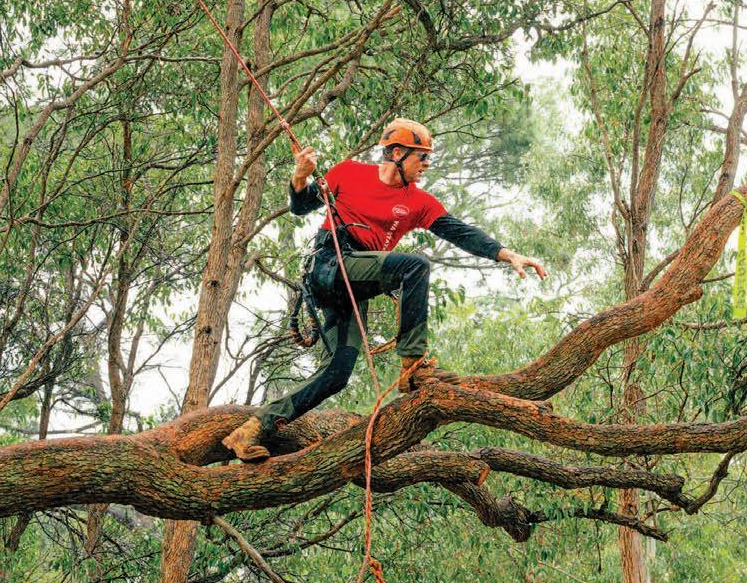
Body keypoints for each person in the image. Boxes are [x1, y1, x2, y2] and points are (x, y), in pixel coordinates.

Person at [223, 118, 546, 461]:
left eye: (428, 157)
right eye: (421, 156)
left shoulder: (418, 202)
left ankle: (254, 428)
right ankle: (413, 366)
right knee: (414, 266)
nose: (426, 164)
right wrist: (300, 176)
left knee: (337, 375)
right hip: (330, 264)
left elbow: (460, 232)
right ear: (396, 153)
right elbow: (301, 207)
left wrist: (508, 255)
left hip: (353, 286)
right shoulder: (348, 173)